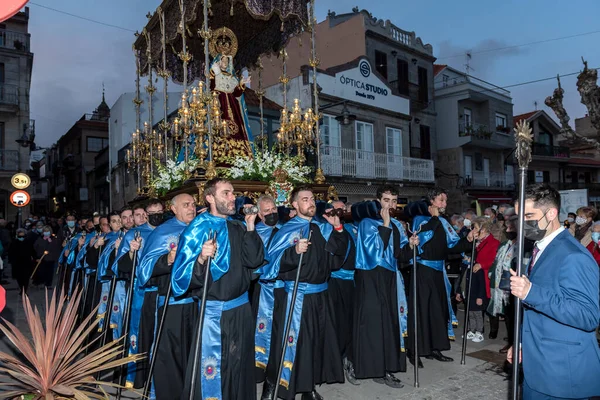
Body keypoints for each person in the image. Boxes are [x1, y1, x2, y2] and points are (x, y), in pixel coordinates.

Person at [171, 178, 265, 400]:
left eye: (233, 193)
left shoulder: (238, 226)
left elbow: (254, 261)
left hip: (242, 308)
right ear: (210, 197)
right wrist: (202, 258)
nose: (233, 198)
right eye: (226, 193)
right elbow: (181, 277)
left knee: (240, 366)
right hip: (214, 314)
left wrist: (251, 226)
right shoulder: (197, 229)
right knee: (214, 368)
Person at [509, 183, 600, 399]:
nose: (523, 223)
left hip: (560, 374)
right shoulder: (541, 246)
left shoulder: (573, 255)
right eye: (519, 216)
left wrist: (532, 292)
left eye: (529, 215)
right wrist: (522, 342)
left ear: (551, 213)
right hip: (538, 363)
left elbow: (588, 315)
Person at [261, 186, 348, 400]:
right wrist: (293, 252)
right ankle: (274, 383)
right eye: (305, 199)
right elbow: (271, 264)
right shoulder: (288, 229)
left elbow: (334, 259)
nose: (311, 203)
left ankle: (309, 387)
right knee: (292, 344)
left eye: (312, 199)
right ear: (295, 204)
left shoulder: (320, 228)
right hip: (297, 297)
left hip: (320, 296)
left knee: (315, 343)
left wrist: (338, 230)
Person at [352, 187, 419, 388]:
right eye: (386, 200)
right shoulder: (367, 223)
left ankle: (387, 367)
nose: (390, 205)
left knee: (390, 323)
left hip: (390, 277)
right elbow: (374, 251)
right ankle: (373, 368)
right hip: (371, 276)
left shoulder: (398, 225)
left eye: (394, 200)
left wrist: (411, 246)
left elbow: (400, 256)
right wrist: (387, 224)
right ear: (378, 201)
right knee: (373, 324)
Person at [135, 193, 196, 398]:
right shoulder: (163, 232)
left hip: (197, 303)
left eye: (194, 204)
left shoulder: (200, 228)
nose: (191, 208)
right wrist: (167, 259)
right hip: (172, 303)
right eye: (186, 205)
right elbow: (145, 268)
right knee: (171, 355)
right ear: (174, 209)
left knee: (194, 354)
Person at [407, 188, 475, 366]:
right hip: (423, 271)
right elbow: (422, 241)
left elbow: (451, 247)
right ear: (432, 202)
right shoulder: (420, 220)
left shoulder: (443, 222)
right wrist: (435, 218)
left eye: (445, 201)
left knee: (438, 311)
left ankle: (433, 348)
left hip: (439, 272)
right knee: (421, 310)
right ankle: (414, 351)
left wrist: (467, 239)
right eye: (441, 200)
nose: (444, 204)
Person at [112, 199, 164, 387]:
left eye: (160, 211)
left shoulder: (167, 230)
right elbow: (121, 266)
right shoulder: (134, 234)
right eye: (149, 213)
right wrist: (131, 252)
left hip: (165, 290)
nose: (146, 217)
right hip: (141, 291)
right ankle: (139, 376)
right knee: (141, 332)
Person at [456, 217, 499, 342]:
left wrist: (481, 264)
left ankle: (484, 330)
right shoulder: (476, 242)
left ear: (484, 229)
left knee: (483, 307)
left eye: (476, 228)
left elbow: (494, 260)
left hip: (485, 279)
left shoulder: (493, 243)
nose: (473, 230)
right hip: (473, 278)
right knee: (472, 308)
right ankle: (472, 329)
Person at [487, 208, 517, 354]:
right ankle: (507, 337)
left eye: (510, 226)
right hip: (499, 282)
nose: (507, 229)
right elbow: (496, 261)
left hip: (513, 284)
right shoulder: (504, 244)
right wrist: (492, 272)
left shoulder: (522, 246)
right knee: (498, 309)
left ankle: (513, 341)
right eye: (507, 226)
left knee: (511, 315)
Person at [8, 229, 35, 295]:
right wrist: (11, 261)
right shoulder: (13, 243)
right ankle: (22, 288)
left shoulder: (28, 242)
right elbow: (10, 253)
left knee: (26, 277)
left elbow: (32, 251)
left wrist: (35, 258)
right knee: (19, 278)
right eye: (20, 236)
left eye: (23, 236)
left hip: (26, 262)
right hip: (17, 263)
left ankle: (24, 290)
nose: (21, 238)